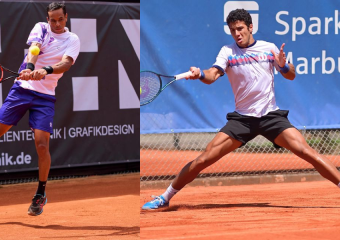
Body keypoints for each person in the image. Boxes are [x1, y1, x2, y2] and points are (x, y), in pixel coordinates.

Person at [142, 9, 340, 210]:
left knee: (307, 151)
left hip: (270, 116)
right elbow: (212, 75)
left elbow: (291, 75)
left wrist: (283, 66)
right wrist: (200, 73)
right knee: (203, 159)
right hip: (242, 120)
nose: (237, 33)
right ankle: (164, 198)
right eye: (232, 30)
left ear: (250, 27)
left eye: (240, 28)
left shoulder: (268, 48)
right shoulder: (227, 52)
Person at [0, 2, 80, 216]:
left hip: (45, 97)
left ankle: (40, 193)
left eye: (60, 19)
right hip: (22, 90)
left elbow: (66, 64)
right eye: (52, 19)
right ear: (48, 19)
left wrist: (45, 70)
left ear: (66, 17)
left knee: (41, 145)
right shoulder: (41, 27)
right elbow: (34, 48)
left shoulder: (72, 39)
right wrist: (30, 68)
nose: (56, 23)